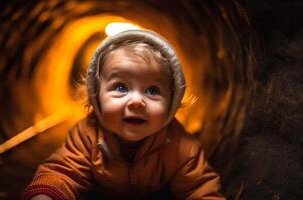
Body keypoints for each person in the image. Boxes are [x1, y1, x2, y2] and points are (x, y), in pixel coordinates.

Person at [22, 30, 225, 200]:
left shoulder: (181, 146)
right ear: (96, 97)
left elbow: (200, 187)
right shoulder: (87, 135)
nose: (137, 101)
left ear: (171, 103)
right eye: (121, 87)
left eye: (153, 90)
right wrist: (47, 195)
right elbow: (63, 172)